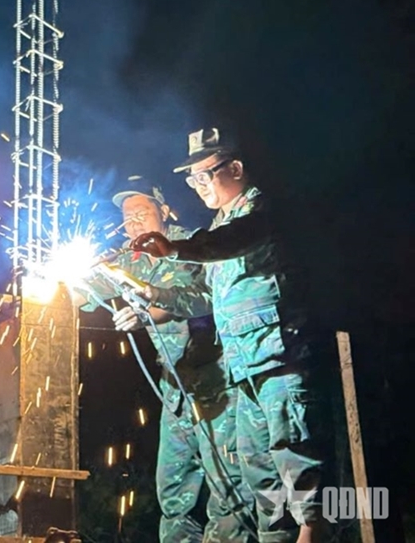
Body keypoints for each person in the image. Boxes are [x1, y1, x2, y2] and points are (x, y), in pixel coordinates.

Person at [131, 129, 331, 543]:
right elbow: (203, 295)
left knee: (298, 459)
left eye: (204, 175)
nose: (198, 186)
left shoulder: (260, 212)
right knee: (260, 474)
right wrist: (154, 294)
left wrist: (176, 249)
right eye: (192, 180)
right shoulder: (220, 227)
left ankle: (315, 533)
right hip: (244, 370)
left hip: (279, 360)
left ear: (235, 168)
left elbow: (231, 241)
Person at [74, 185, 255, 543]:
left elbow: (191, 298)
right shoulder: (129, 257)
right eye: (127, 218)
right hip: (175, 387)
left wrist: (147, 314)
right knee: (173, 487)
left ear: (166, 211)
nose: (134, 223)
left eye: (142, 213)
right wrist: (48, 289)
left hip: (215, 381)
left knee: (226, 482)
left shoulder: (192, 246)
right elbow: (82, 290)